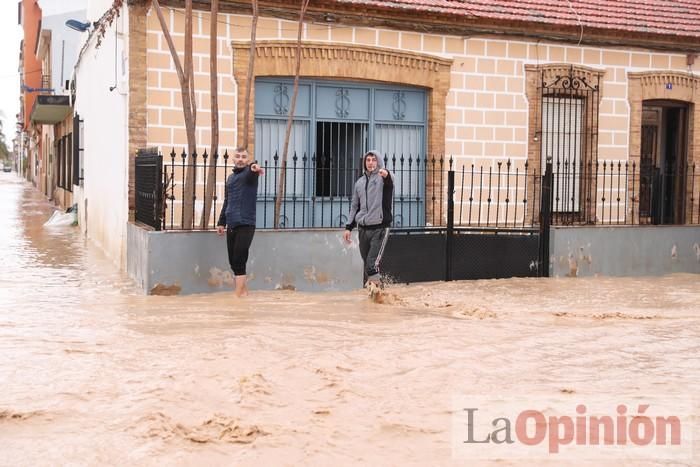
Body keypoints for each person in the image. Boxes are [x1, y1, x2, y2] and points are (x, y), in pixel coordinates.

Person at [216, 147, 264, 297]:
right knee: (233, 261)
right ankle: (244, 294)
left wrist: (255, 167)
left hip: (246, 223)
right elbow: (227, 201)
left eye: (244, 157)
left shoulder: (249, 174)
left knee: (239, 259)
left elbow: (252, 171)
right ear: (233, 159)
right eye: (238, 156)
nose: (241, 159)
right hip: (231, 223)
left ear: (248, 160)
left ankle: (236, 296)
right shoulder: (230, 178)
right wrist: (221, 222)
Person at [343, 149, 394, 289]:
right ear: (364, 162)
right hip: (363, 229)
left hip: (379, 228)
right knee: (367, 264)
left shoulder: (383, 179)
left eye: (374, 159)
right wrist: (348, 227)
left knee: (372, 263)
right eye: (368, 160)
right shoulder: (359, 182)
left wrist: (386, 174)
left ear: (378, 162)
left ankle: (378, 293)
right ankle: (378, 297)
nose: (371, 163)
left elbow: (391, 181)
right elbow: (355, 206)